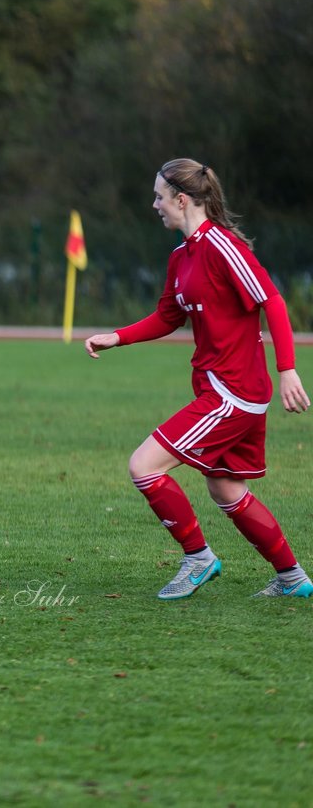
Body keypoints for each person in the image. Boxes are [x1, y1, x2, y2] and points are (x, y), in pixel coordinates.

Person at [85, 157, 312, 600]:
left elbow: (274, 302)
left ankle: (199, 558)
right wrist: (118, 337)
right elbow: (168, 317)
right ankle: (292, 578)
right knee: (226, 488)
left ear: (182, 199)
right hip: (218, 389)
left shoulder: (223, 247)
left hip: (234, 393)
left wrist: (287, 369)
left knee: (143, 466)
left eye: (159, 196)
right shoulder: (181, 256)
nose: (155, 204)